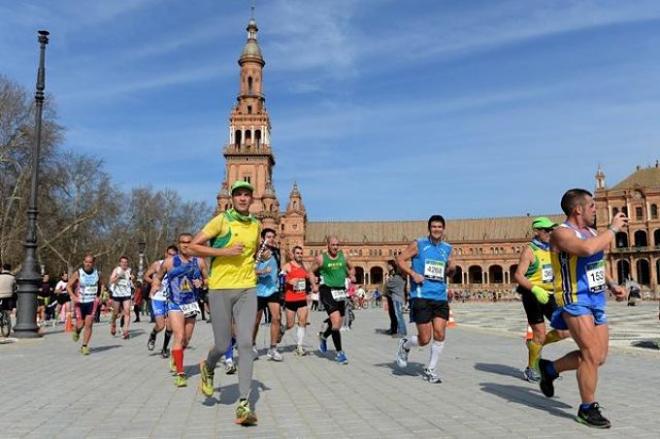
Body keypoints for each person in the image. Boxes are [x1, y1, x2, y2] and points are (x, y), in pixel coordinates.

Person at [537, 189, 628, 429]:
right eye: (592, 206)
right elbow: (586, 249)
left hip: (596, 300)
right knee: (589, 354)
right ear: (578, 209)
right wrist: (614, 229)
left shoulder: (593, 232)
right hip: (574, 299)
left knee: (599, 358)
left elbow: (596, 261)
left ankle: (550, 368)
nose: (595, 210)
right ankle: (587, 408)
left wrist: (612, 284)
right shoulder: (561, 233)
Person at [189, 180, 261, 426]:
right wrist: (224, 252)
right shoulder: (221, 221)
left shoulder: (256, 225)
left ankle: (243, 403)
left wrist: (255, 267)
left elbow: (250, 254)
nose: (243, 198)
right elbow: (192, 247)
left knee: (245, 343)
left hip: (247, 288)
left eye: (247, 195)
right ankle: (208, 367)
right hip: (220, 288)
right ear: (232, 198)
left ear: (252, 199)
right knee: (222, 344)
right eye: (238, 194)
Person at [395, 215, 455, 383]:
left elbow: (450, 269)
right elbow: (399, 259)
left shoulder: (447, 248)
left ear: (443, 229)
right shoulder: (419, 244)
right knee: (425, 339)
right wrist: (413, 274)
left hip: (440, 296)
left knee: (440, 333)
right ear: (429, 228)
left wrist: (452, 269)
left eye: (440, 227)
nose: (437, 229)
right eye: (434, 226)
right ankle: (406, 344)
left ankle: (431, 369)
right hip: (421, 295)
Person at [513, 217, 569, 382]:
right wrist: (535, 289)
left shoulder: (554, 249)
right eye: (547, 230)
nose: (550, 233)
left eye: (552, 230)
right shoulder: (529, 250)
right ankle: (532, 369)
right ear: (537, 231)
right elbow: (518, 275)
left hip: (551, 295)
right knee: (539, 333)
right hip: (532, 295)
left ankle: (536, 345)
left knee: (564, 330)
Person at [152, 233, 208, 387]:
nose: (185, 245)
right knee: (179, 335)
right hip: (175, 303)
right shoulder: (169, 262)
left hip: (191, 304)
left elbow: (207, 280)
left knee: (186, 339)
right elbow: (157, 276)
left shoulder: (200, 262)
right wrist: (156, 285)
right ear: (178, 244)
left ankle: (174, 357)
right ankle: (181, 373)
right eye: (183, 242)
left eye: (189, 242)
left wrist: (202, 283)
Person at [310, 236, 356, 365]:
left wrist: (351, 274)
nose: (335, 247)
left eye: (337, 245)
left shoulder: (344, 257)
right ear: (328, 245)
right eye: (333, 245)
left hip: (340, 291)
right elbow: (311, 272)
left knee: (337, 324)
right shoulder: (321, 258)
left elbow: (352, 268)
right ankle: (340, 353)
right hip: (326, 290)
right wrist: (314, 285)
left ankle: (323, 336)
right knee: (336, 321)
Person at [252, 228, 283, 361]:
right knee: (256, 321)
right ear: (263, 238)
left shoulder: (277, 252)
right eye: (268, 236)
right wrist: (261, 271)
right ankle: (252, 345)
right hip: (258, 290)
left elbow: (280, 268)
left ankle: (273, 348)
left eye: (272, 236)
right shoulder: (256, 252)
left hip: (273, 290)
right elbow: (250, 270)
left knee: (276, 318)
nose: (270, 239)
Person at [145, 245, 178, 358]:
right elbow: (146, 276)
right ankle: (153, 334)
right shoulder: (157, 264)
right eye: (169, 254)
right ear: (165, 254)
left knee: (170, 326)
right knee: (160, 325)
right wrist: (155, 283)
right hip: (158, 298)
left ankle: (164, 349)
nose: (171, 257)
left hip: (170, 298)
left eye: (174, 255)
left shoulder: (177, 266)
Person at [68, 254, 102, 355]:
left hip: (92, 302)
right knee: (81, 324)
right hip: (80, 302)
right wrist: (73, 296)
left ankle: (84, 346)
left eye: (90, 262)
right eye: (86, 262)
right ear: (83, 262)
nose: (88, 264)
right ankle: (77, 331)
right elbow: (68, 286)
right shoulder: (78, 273)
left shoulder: (98, 273)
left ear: (93, 263)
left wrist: (100, 296)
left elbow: (102, 284)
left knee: (89, 324)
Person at [282, 245, 313, 356]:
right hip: (290, 299)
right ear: (293, 254)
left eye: (301, 253)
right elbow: (280, 277)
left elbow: (309, 278)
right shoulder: (288, 266)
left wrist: (313, 283)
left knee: (302, 322)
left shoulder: (305, 266)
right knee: (290, 325)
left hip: (302, 298)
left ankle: (299, 347)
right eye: (297, 253)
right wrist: (289, 281)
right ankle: (282, 329)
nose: (300, 255)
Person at [108, 256, 134, 339]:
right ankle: (113, 324)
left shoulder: (129, 270)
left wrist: (132, 279)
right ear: (120, 263)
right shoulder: (116, 270)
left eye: (126, 262)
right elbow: (111, 281)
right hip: (117, 294)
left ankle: (126, 331)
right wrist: (118, 276)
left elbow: (131, 280)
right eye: (122, 262)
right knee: (115, 313)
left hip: (126, 293)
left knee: (127, 312)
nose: (124, 264)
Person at [385, 260, 407, 337]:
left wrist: (388, 280)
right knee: (398, 315)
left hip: (396, 298)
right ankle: (399, 330)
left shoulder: (397, 278)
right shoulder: (399, 277)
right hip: (397, 297)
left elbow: (389, 285)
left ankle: (402, 331)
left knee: (399, 315)